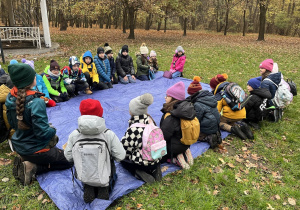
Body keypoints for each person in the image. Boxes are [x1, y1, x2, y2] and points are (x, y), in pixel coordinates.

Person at [5, 63, 73, 185]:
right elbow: (43, 133)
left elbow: (12, 124)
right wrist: (52, 129)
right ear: (30, 81)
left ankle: (26, 158)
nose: (36, 76)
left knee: (54, 146)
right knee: (70, 160)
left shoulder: (10, 97)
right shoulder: (36, 103)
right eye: (34, 75)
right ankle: (33, 166)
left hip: (20, 145)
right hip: (35, 148)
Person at [64, 99, 125, 203]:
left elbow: (68, 156)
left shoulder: (75, 134)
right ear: (100, 113)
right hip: (104, 173)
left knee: (85, 167)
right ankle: (103, 188)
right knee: (109, 163)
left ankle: (88, 186)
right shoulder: (108, 134)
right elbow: (121, 156)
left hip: (84, 174)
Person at [121, 93, 162, 183]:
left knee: (123, 160)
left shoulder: (134, 129)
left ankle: (138, 172)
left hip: (143, 163)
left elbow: (126, 148)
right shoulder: (151, 121)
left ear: (133, 111)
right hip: (156, 157)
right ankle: (156, 168)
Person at [160, 81, 194, 169]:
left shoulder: (171, 116)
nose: (165, 97)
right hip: (186, 142)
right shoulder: (187, 109)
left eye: (167, 96)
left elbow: (164, 136)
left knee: (158, 153)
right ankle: (185, 151)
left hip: (174, 147)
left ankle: (175, 158)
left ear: (173, 99)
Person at [210, 73, 253, 140]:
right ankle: (242, 127)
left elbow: (216, 110)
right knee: (232, 120)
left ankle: (232, 129)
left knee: (219, 122)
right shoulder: (233, 87)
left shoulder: (220, 94)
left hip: (230, 116)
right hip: (242, 113)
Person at [187, 76, 221, 148]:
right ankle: (215, 134)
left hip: (208, 126)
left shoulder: (198, 104)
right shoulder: (208, 96)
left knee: (191, 134)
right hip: (216, 123)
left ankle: (208, 137)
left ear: (193, 94)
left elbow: (196, 119)